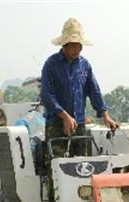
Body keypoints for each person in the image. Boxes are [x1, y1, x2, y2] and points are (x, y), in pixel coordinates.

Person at [40, 17, 118, 157]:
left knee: (81, 167)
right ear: (65, 44)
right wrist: (64, 117)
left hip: (79, 125)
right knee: (57, 166)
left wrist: (105, 115)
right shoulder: (51, 64)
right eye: (74, 45)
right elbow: (47, 95)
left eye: (80, 45)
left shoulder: (84, 65)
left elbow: (94, 91)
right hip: (56, 125)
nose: (78, 49)